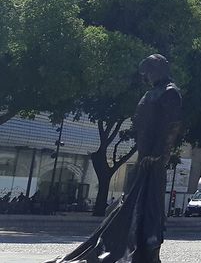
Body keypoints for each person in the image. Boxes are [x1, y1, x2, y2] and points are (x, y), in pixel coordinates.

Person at [46, 54, 183, 263]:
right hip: (144, 158)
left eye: (149, 72)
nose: (147, 77)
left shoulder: (170, 93)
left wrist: (158, 155)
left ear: (161, 69)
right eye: (145, 74)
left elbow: (171, 127)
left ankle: (148, 249)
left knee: (149, 206)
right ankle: (120, 246)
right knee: (131, 205)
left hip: (152, 161)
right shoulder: (152, 93)